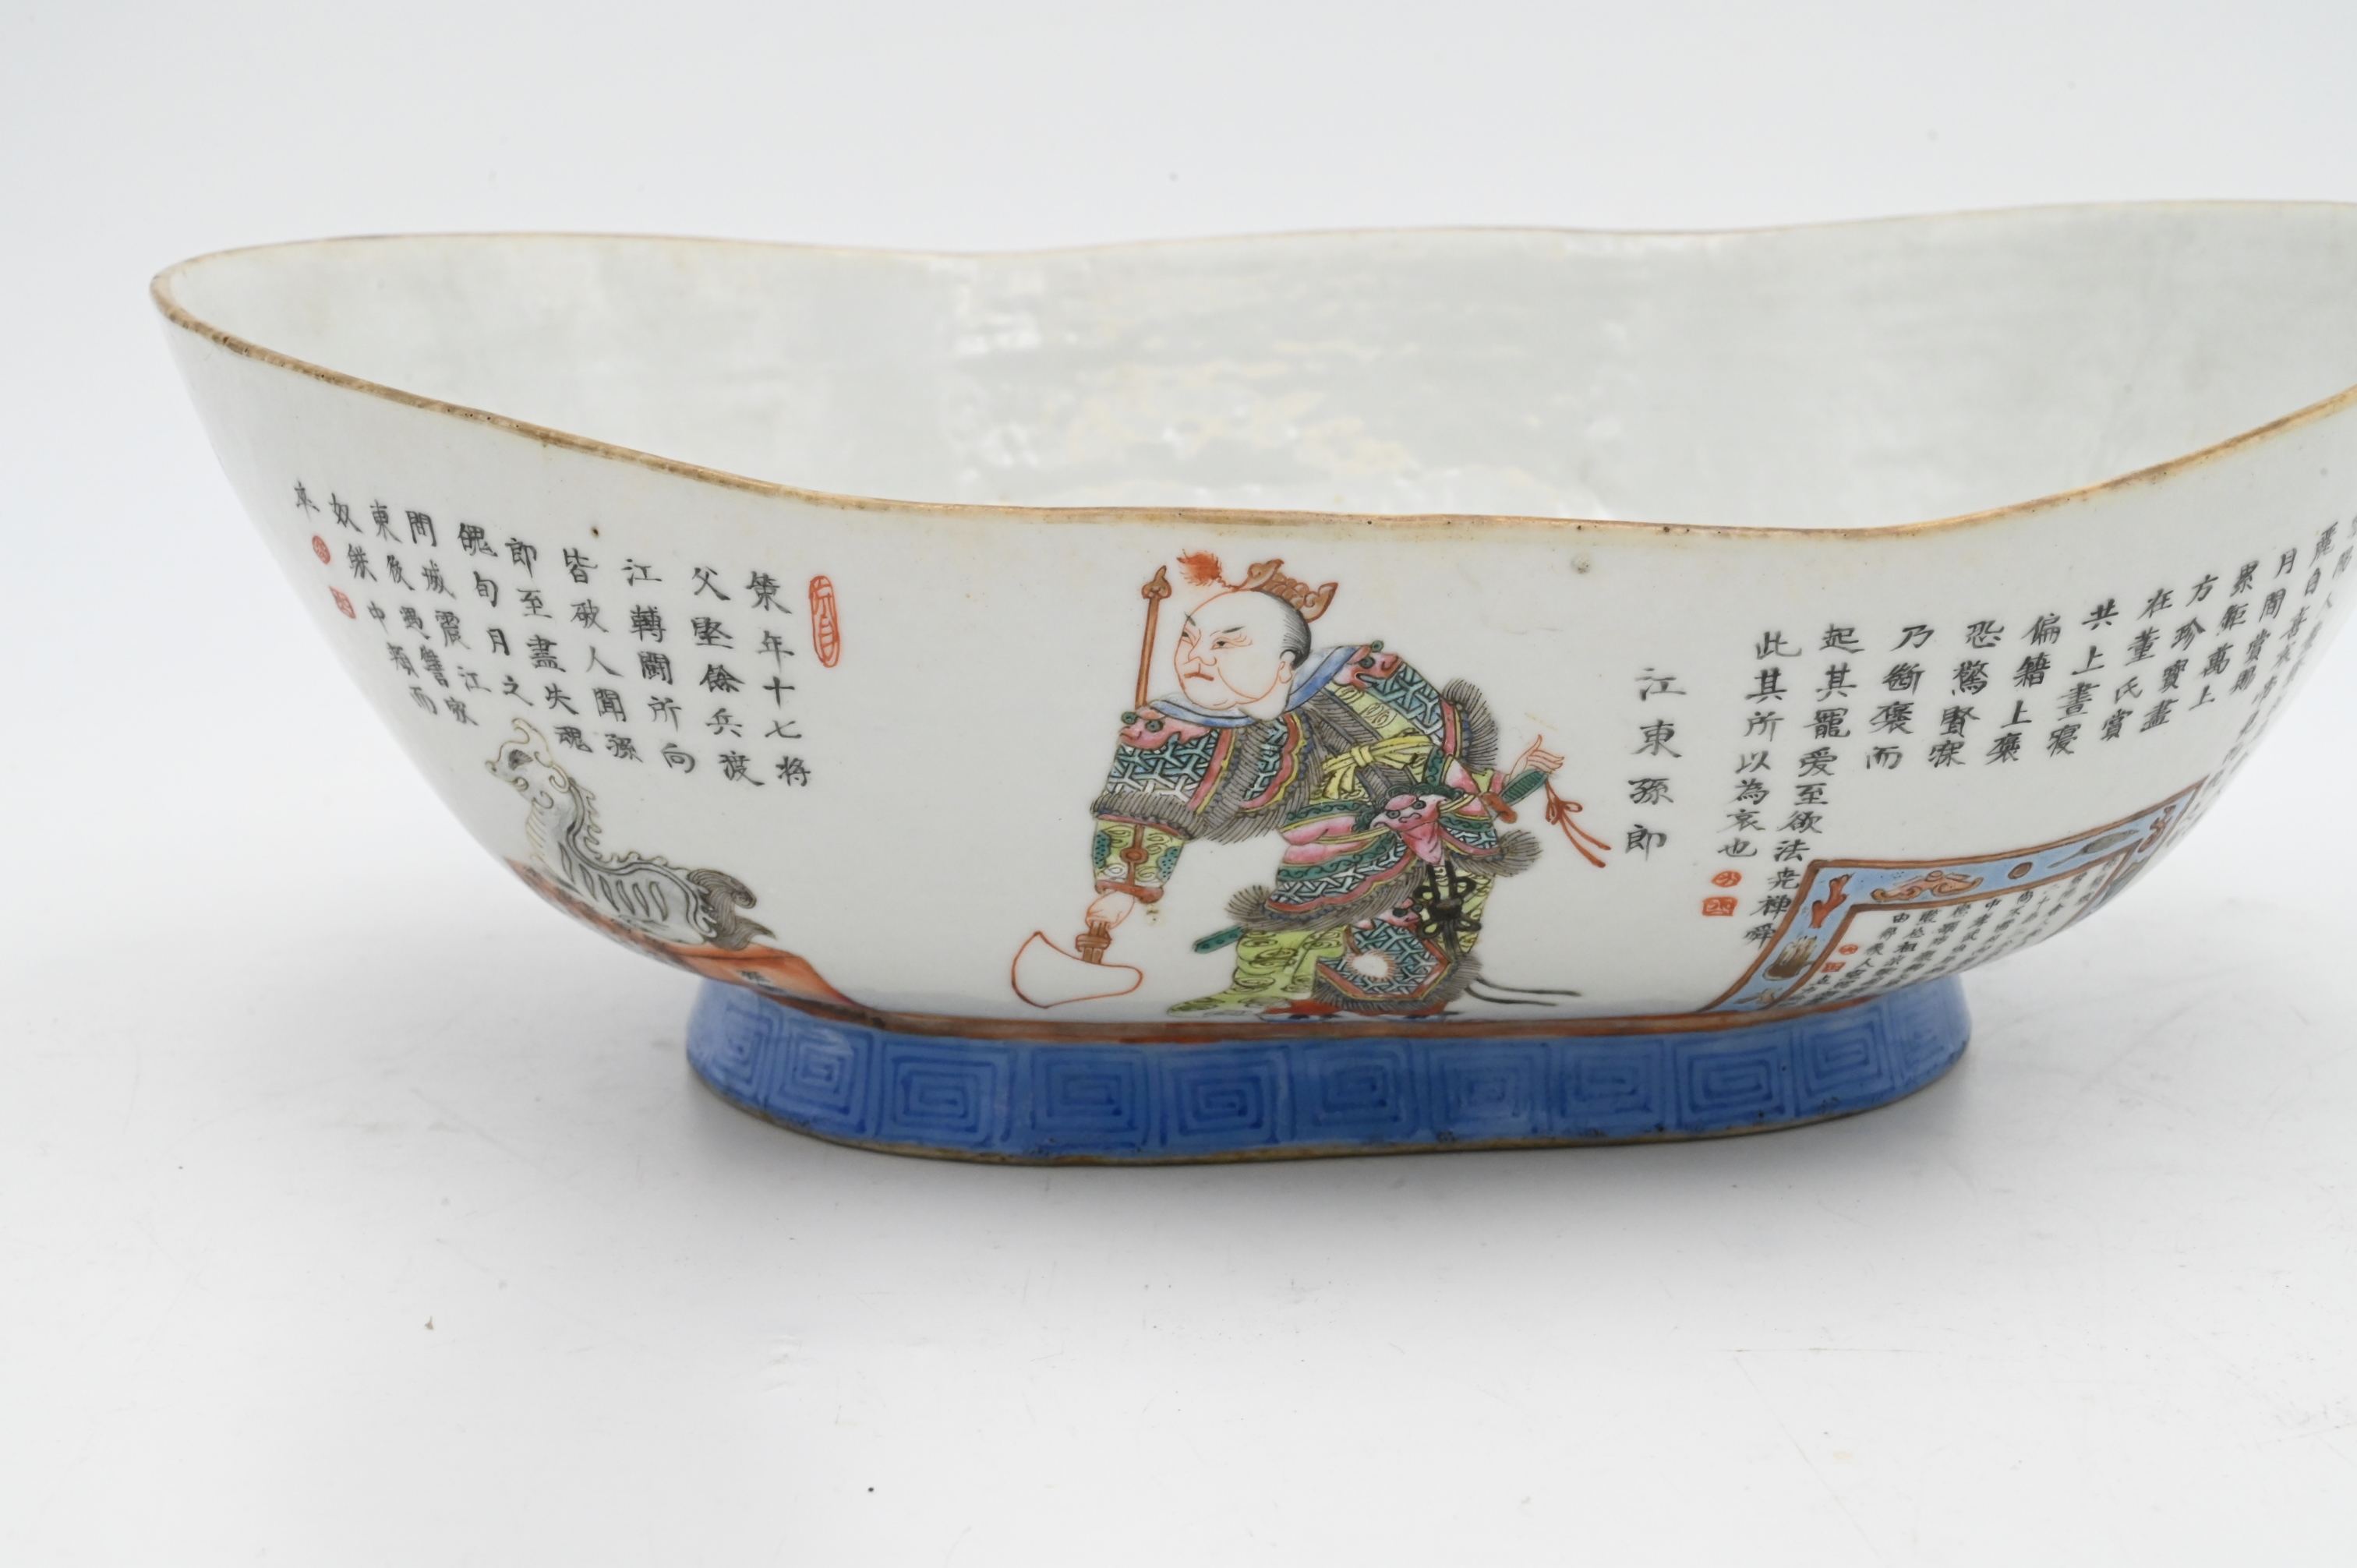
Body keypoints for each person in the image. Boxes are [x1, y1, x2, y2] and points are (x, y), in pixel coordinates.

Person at [1083, 560, 1562, 1018]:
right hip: (1325, 851)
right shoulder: (1176, 729)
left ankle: (1387, 1004)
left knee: (1419, 936)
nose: (1197, 658)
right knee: (1285, 933)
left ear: (1285, 662)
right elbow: (1145, 814)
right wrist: (1123, 888)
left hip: (1431, 835)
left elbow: (1439, 757)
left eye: (1225, 644)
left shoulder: (1359, 681)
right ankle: (1263, 998)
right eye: (1188, 639)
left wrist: (1515, 780)